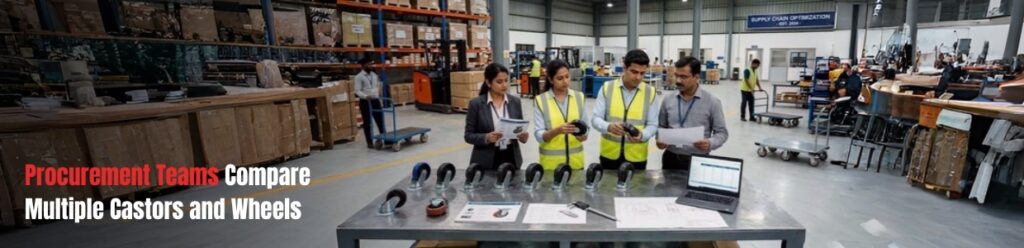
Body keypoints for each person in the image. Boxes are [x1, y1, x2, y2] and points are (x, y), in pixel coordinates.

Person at [656, 57, 729, 170]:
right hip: (670, 159)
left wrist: (710, 143)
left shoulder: (712, 102)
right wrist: (659, 139)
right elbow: (661, 126)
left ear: (696, 77)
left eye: (683, 77)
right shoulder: (668, 100)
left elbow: (722, 133)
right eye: (677, 75)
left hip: (699, 160)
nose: (678, 80)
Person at [591, 49, 659, 170]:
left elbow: (653, 124)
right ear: (624, 68)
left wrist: (643, 135)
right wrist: (608, 127)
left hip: (637, 157)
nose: (638, 77)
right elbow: (596, 119)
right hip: (609, 156)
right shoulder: (607, 88)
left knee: (636, 188)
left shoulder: (650, 92)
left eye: (642, 73)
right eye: (634, 72)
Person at [464, 64, 529, 170]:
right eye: (499, 82)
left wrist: (523, 137)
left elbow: (519, 129)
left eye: (506, 80)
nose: (504, 85)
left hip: (511, 156)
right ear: (488, 83)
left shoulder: (515, 102)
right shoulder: (476, 104)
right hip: (487, 159)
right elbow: (468, 135)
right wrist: (486, 137)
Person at [533, 60, 588, 170]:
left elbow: (586, 129)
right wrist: (557, 131)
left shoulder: (579, 97)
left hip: (576, 164)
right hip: (551, 166)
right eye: (560, 78)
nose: (565, 81)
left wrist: (581, 136)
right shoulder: (541, 100)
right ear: (550, 79)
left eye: (567, 77)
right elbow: (539, 135)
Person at [354, 57, 387, 148]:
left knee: (380, 120)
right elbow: (357, 91)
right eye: (368, 64)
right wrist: (365, 96)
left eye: (371, 64)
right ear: (363, 65)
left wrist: (378, 94)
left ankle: (386, 139)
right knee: (367, 122)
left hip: (375, 100)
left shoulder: (374, 75)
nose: (370, 66)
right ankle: (369, 142)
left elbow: (377, 86)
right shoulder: (359, 77)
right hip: (365, 101)